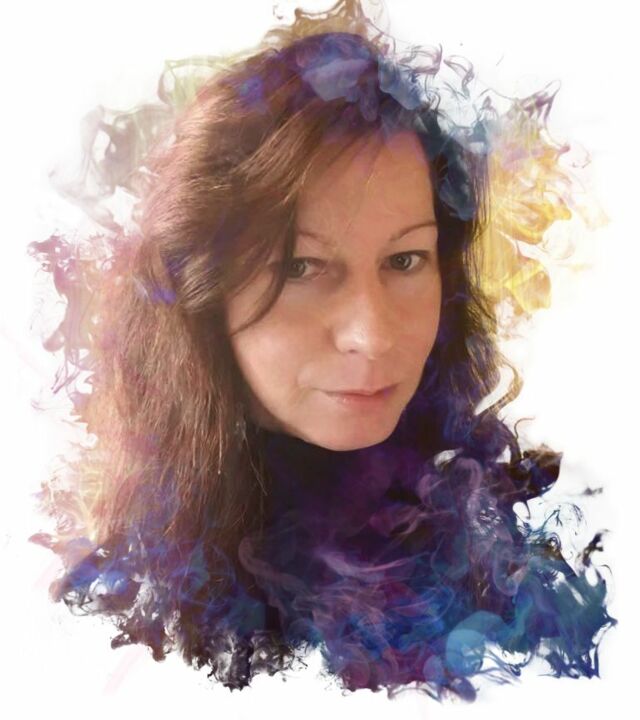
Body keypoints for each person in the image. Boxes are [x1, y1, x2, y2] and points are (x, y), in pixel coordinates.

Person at [28, 0, 615, 703]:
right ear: (203, 292)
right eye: (302, 267)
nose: (372, 333)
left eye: (404, 260)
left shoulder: (520, 555)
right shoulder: (106, 622)